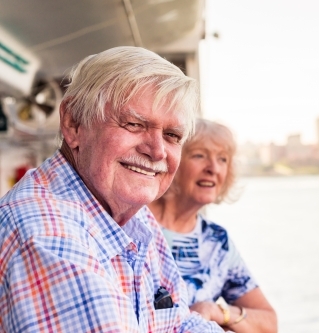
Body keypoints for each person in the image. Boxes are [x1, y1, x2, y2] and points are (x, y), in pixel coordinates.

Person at [0, 46, 224, 333]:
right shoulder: (46, 235)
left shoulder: (133, 217)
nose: (157, 152)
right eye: (133, 124)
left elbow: (179, 322)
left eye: (172, 135)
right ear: (74, 123)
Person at [148, 119, 277, 333]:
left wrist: (216, 311)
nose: (213, 168)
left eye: (222, 159)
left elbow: (268, 324)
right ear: (172, 160)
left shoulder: (216, 241)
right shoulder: (133, 218)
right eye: (199, 155)